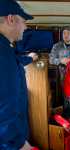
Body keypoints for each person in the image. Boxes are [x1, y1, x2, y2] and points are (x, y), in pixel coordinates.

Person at [0, 0, 38, 150]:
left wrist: (29, 58)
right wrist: (19, 144)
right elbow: (3, 107)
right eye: (23, 21)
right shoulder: (2, 54)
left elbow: (14, 63)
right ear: (11, 19)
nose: (25, 26)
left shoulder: (5, 50)